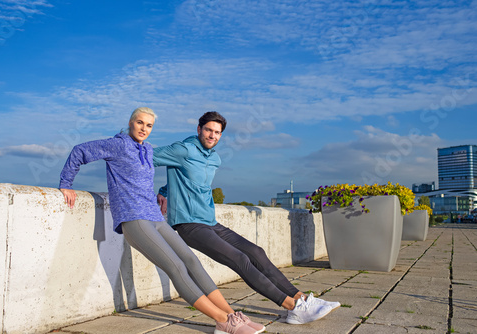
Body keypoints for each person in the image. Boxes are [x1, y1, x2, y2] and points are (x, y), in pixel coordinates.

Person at [58, 107, 265, 334]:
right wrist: (66, 183)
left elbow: (172, 174)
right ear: (130, 123)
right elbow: (80, 151)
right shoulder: (117, 145)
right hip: (134, 218)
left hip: (155, 216)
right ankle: (222, 321)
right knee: (175, 267)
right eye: (140, 123)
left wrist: (164, 191)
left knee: (191, 260)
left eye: (149, 125)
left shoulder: (147, 149)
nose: (144, 129)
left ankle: (232, 315)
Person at [154, 111, 341, 325]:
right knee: (239, 259)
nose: (212, 135)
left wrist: (165, 190)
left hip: (210, 222)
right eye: (208, 130)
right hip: (190, 225)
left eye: (217, 132)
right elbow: (146, 156)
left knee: (255, 252)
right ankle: (292, 308)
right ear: (199, 130)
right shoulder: (182, 149)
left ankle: (302, 299)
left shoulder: (214, 158)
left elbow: (189, 180)